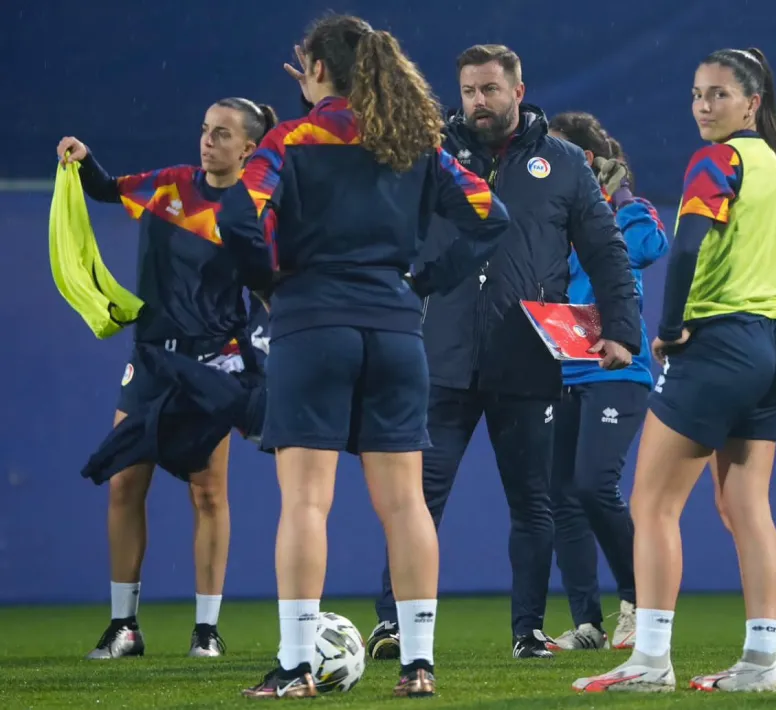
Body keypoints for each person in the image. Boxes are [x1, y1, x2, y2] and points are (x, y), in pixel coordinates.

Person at [215, 14, 510, 699]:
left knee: (307, 504)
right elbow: (491, 217)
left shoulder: (289, 142)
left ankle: (295, 668)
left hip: (311, 328)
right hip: (395, 332)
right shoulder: (414, 141)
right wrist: (425, 279)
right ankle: (418, 664)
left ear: (318, 69)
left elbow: (237, 217)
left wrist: (270, 280)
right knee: (406, 505)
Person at [572, 47, 776, 694]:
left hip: (719, 348)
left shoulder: (716, 161)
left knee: (652, 503)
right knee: (746, 506)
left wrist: (668, 332)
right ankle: (760, 663)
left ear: (752, 102)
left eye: (719, 94)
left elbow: (688, 245)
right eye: (697, 93)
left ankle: (651, 662)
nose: (704, 105)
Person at [366, 44, 641, 662]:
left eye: (490, 89)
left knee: (531, 502)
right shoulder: (430, 155)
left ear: (519, 90)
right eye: (468, 91)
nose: (478, 102)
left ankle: (527, 632)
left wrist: (621, 328)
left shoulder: (566, 164)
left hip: (526, 358)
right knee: (418, 497)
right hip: (440, 357)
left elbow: (606, 251)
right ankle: (394, 624)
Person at [56, 96, 278, 661]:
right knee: (126, 483)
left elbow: (270, 288)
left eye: (222, 134)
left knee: (208, 494)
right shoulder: (169, 185)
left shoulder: (252, 210)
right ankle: (123, 626)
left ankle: (206, 629)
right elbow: (106, 188)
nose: (208, 141)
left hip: (212, 368)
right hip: (151, 360)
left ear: (249, 148)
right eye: (205, 130)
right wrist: (83, 160)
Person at [541, 112, 667, 653]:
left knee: (594, 484)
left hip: (618, 369)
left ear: (586, 161)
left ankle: (640, 603)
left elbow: (648, 248)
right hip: (561, 366)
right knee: (562, 496)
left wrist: (609, 203)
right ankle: (589, 624)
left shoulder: (627, 209)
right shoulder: (553, 216)